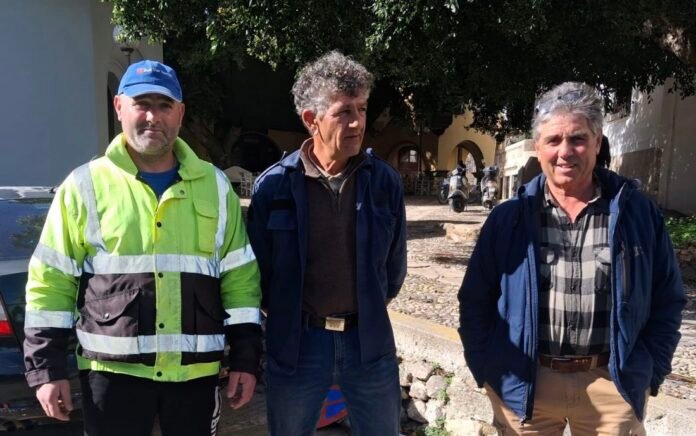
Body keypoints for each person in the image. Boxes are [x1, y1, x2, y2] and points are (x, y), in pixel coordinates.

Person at [23, 60, 262, 436]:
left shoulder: (215, 186)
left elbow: (240, 280)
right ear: (119, 107)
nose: (153, 116)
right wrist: (47, 370)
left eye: (164, 105)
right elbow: (51, 281)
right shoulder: (84, 186)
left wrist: (246, 359)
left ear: (180, 114)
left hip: (194, 378)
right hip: (111, 377)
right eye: (142, 104)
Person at [458, 82, 685, 435]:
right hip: (524, 384)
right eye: (553, 140)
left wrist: (650, 370)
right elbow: (475, 300)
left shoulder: (637, 214)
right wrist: (487, 369)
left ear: (597, 142)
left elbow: (667, 298)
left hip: (612, 387)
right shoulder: (509, 218)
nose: (565, 152)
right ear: (538, 147)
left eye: (578, 139)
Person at [246, 51, 407, 435]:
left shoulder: (384, 182)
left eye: (362, 109)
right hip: (298, 345)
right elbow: (257, 274)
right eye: (344, 112)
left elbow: (394, 271)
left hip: (368, 343)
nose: (358, 122)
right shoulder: (274, 186)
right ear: (311, 119)